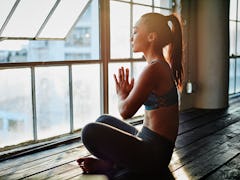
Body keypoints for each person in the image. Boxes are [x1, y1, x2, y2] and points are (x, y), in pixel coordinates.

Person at [77, 12, 183, 180]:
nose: (131, 37)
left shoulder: (153, 69)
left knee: (89, 131)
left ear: (151, 37)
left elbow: (126, 111)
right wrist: (128, 95)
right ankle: (116, 164)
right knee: (103, 120)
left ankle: (113, 165)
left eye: (135, 32)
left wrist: (121, 95)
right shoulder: (159, 66)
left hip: (154, 156)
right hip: (150, 143)